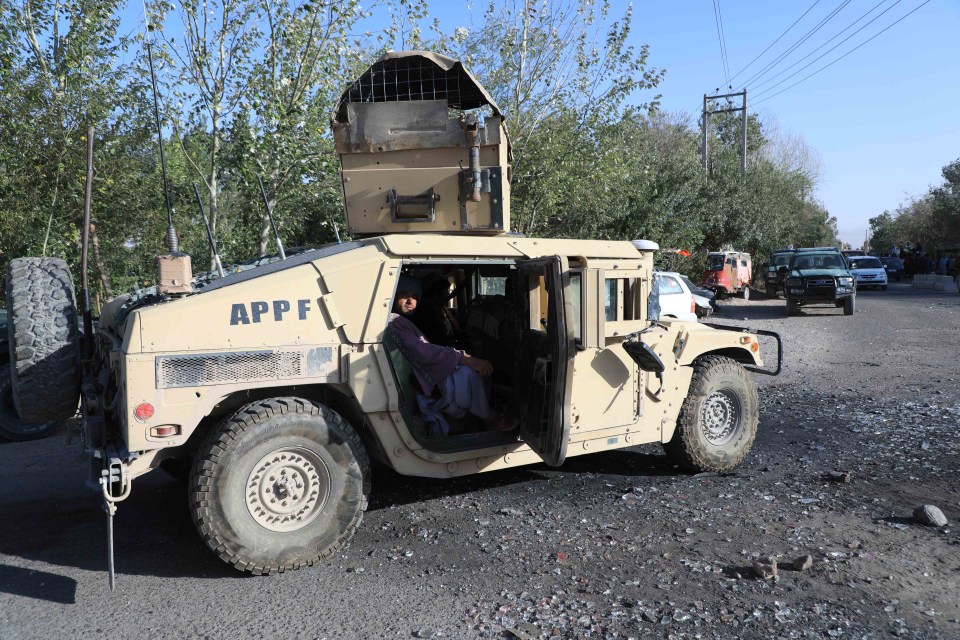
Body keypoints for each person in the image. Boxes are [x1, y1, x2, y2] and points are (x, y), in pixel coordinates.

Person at [387, 274, 518, 437]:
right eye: (404, 295)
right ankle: (488, 416)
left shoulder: (402, 321)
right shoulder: (395, 322)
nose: (410, 301)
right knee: (469, 373)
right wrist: (468, 359)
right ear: (393, 297)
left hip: (426, 375)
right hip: (428, 383)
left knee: (475, 371)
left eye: (414, 296)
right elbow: (423, 352)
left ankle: (483, 413)